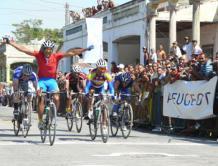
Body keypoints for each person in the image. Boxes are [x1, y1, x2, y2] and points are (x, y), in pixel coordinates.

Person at [3, 37, 94, 129]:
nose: (48, 51)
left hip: (52, 81)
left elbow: (72, 52)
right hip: (41, 80)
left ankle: (53, 116)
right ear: (43, 49)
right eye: (46, 49)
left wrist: (85, 49)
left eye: (50, 49)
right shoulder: (39, 55)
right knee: (41, 98)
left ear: (52, 50)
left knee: (56, 97)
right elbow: (24, 49)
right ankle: (40, 120)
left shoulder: (56, 56)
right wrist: (11, 43)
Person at [85, 58, 114, 133]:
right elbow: (87, 86)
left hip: (101, 89)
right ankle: (90, 109)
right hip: (92, 87)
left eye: (104, 68)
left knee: (103, 106)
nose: (103, 70)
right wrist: (87, 93)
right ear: (97, 67)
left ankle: (104, 124)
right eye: (101, 68)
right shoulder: (92, 73)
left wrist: (112, 95)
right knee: (91, 93)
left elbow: (111, 87)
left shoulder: (107, 74)